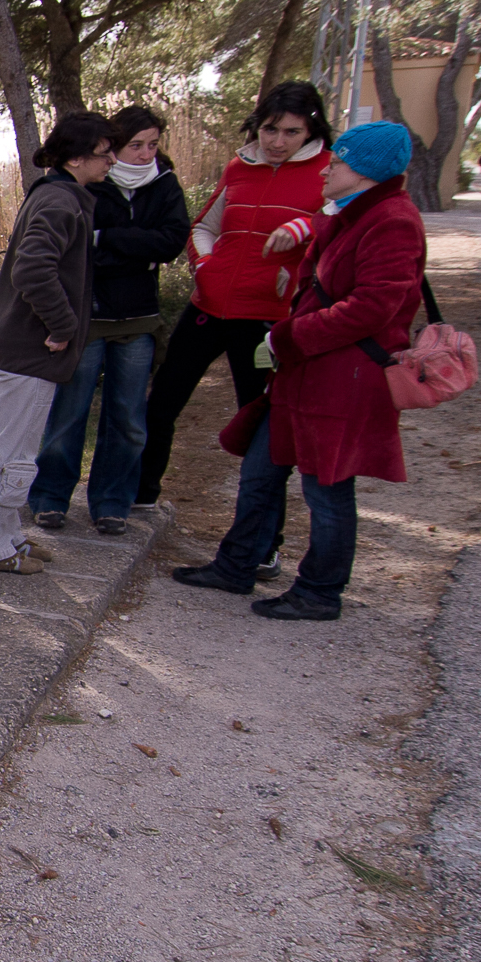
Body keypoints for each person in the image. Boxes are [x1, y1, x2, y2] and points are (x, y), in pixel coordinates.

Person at [170, 120, 425, 620]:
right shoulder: (348, 213)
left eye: (342, 161)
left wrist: (288, 335)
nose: (328, 166)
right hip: (303, 371)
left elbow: (374, 307)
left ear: (368, 172)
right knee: (261, 468)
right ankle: (237, 564)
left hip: (343, 378)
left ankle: (320, 591)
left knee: (326, 487)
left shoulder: (392, 220)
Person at [136, 81, 333, 577]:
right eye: (270, 129)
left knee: (263, 431)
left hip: (267, 320)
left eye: (291, 132)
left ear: (310, 130)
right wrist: (204, 266)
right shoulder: (238, 167)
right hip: (208, 307)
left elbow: (337, 225)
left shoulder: (328, 171)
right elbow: (203, 225)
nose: (277, 141)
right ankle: (140, 499)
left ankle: (264, 545)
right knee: (160, 405)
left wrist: (304, 233)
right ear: (256, 126)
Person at [28, 106, 189, 536]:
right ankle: (49, 498)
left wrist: (113, 240)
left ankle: (112, 503)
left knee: (128, 419)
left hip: (139, 317)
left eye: (152, 145)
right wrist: (139, 252)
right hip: (90, 316)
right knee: (69, 413)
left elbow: (172, 242)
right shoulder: (88, 185)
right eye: (134, 145)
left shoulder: (165, 184)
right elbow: (81, 254)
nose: (143, 154)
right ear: (112, 147)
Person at [0, 112, 112, 574]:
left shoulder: (58, 195)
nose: (111, 163)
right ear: (77, 158)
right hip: (31, 348)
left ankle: (6, 535)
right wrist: (64, 326)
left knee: (17, 449)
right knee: (11, 452)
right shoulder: (59, 203)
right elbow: (32, 268)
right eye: (104, 155)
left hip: (25, 347)